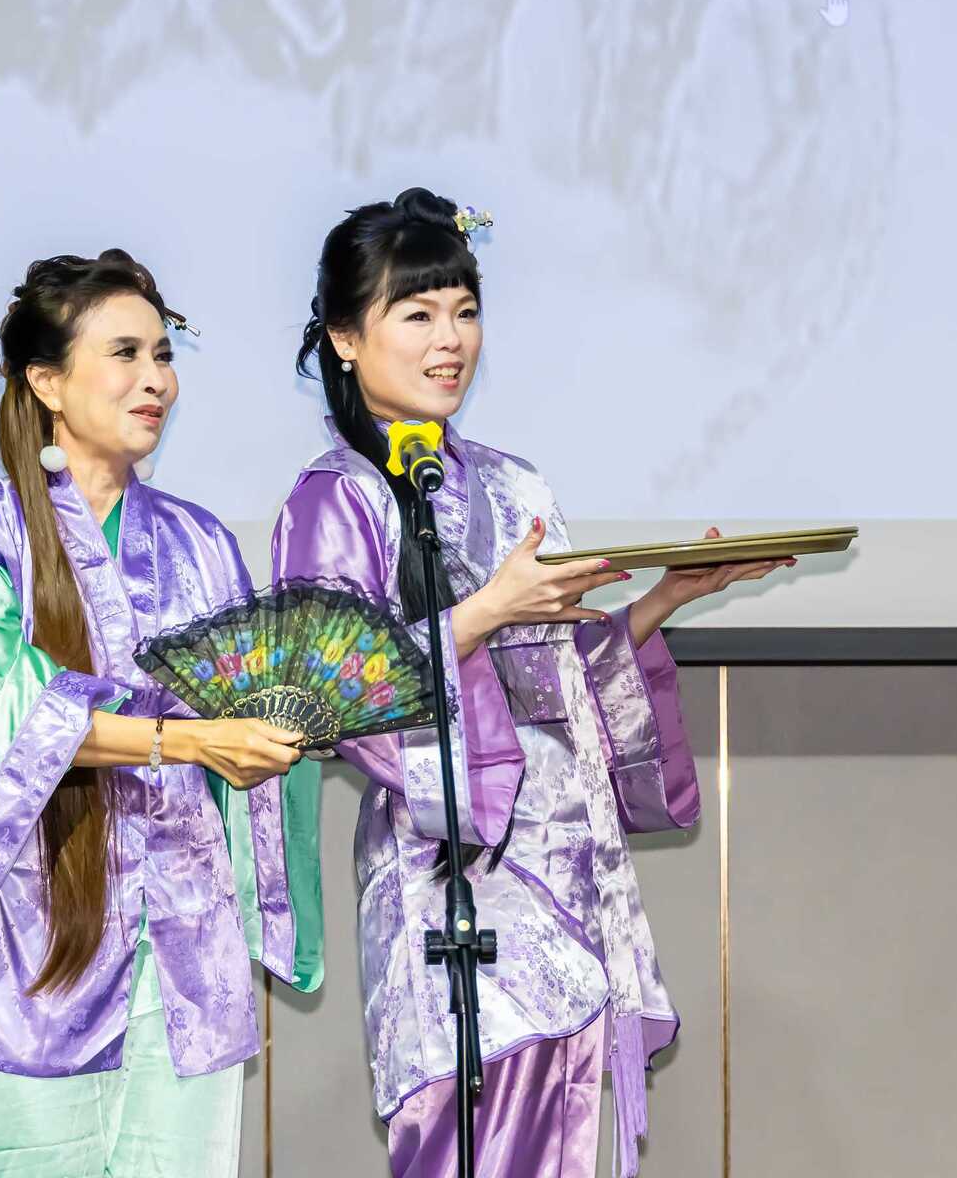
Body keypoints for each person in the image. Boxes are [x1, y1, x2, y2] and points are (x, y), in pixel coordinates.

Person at [271, 188, 790, 1177]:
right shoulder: (334, 500)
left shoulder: (516, 486)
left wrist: (664, 598)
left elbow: (559, 683)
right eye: (417, 314)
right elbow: (329, 696)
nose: (450, 339)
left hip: (561, 871)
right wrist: (483, 611)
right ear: (344, 337)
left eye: (464, 310)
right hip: (446, 882)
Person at [0, 250, 321, 1177]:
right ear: (46, 382)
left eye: (163, 355)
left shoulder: (201, 542)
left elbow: (251, 706)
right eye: (125, 354)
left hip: (184, 944)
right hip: (29, 938)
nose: (155, 379)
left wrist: (287, 729)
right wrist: (186, 741)